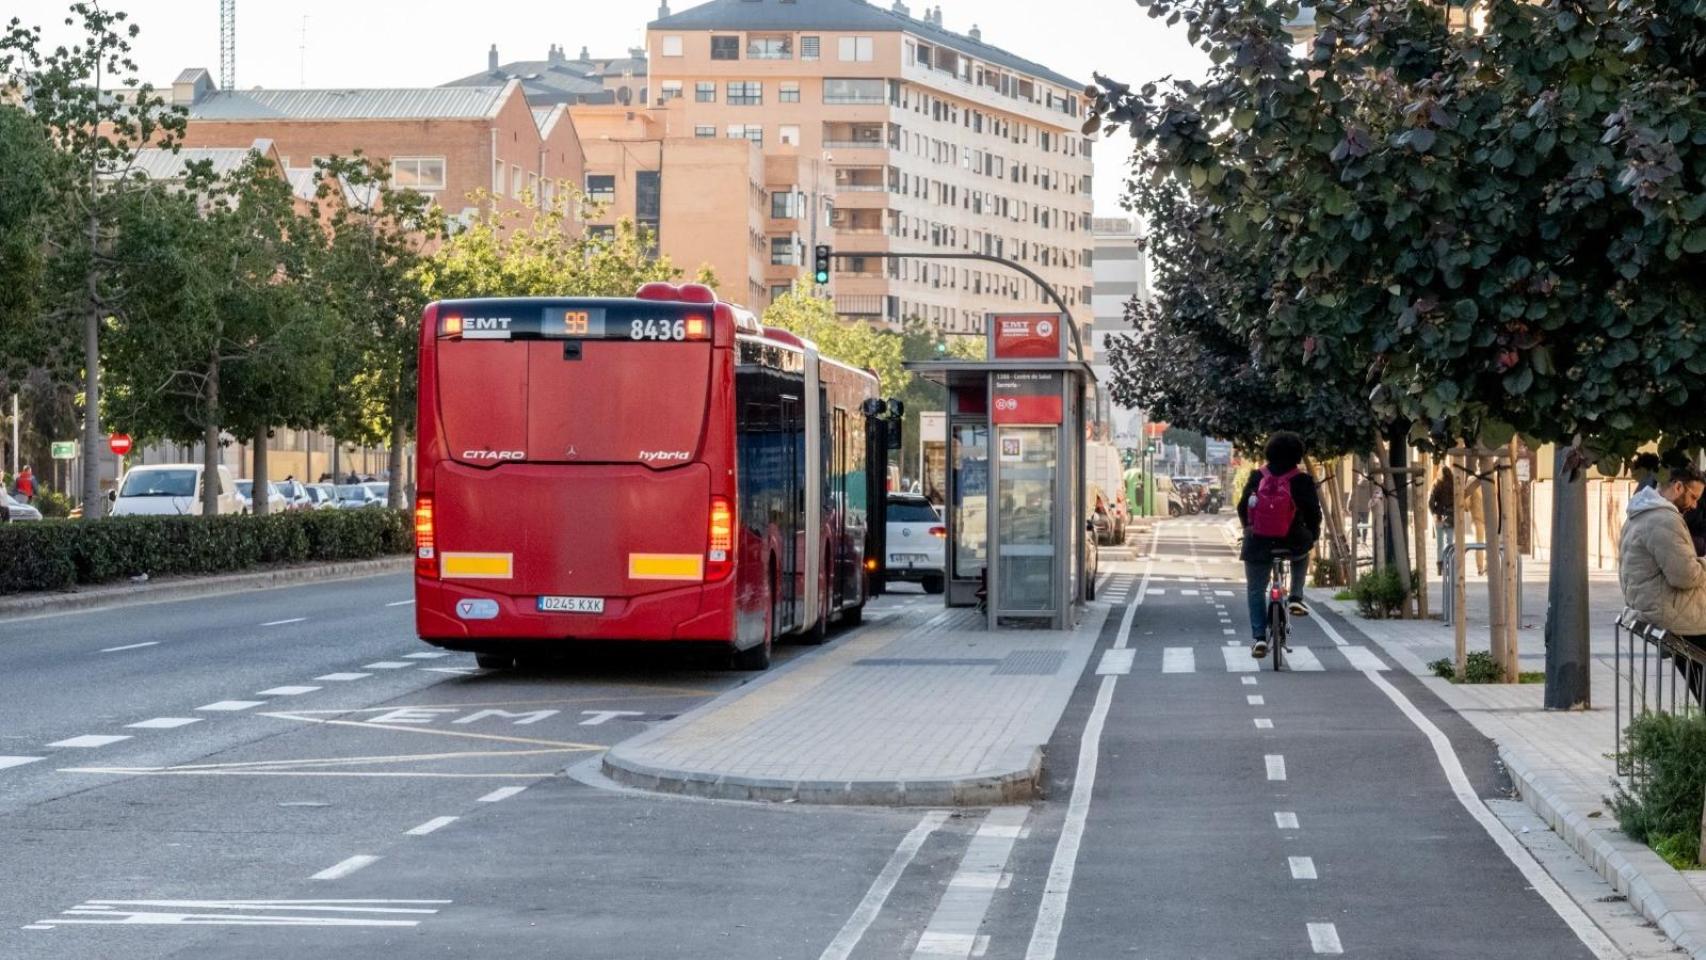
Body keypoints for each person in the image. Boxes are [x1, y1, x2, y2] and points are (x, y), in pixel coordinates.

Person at [1619, 464, 1706, 701]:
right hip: (1674, 615)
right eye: (1693, 496)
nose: (1695, 505)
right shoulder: (1663, 519)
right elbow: (1685, 575)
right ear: (1678, 487)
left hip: (1656, 609)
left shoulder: (1640, 513)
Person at [1238, 432, 1323, 658]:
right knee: (1303, 554)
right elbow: (1314, 513)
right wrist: (1312, 536)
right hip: (1292, 542)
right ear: (1298, 454)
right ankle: (1295, 597)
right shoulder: (1302, 479)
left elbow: (1242, 506)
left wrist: (1248, 528)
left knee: (1256, 588)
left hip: (1258, 543)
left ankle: (1258, 639)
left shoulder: (1258, 476)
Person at [1428, 464, 1456, 574]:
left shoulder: (1436, 484)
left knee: (1439, 543)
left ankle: (1440, 566)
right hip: (1450, 516)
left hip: (1439, 516)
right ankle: (1448, 563)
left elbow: (1430, 502)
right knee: (1449, 542)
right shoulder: (1454, 485)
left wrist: (1434, 512)